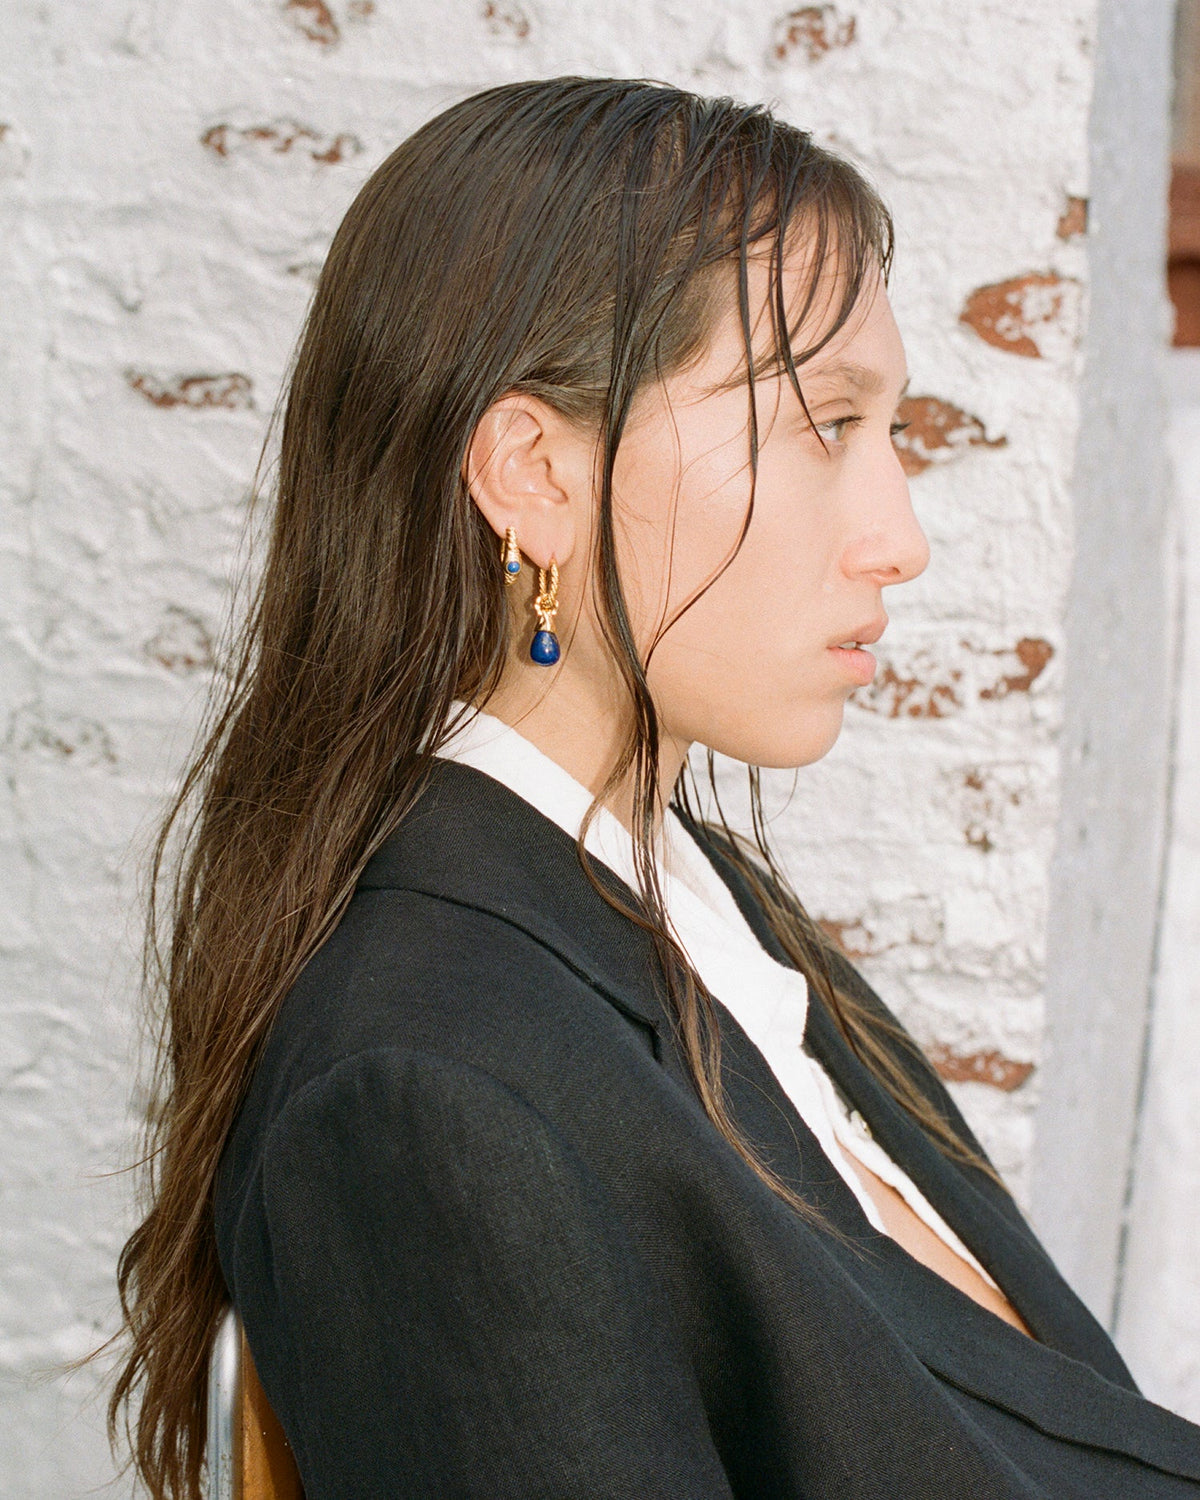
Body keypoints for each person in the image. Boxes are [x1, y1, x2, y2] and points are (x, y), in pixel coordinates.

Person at [104, 76, 1200, 1498]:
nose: (900, 537)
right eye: (824, 423)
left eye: (893, 433)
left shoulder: (703, 912)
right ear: (534, 475)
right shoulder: (431, 1095)